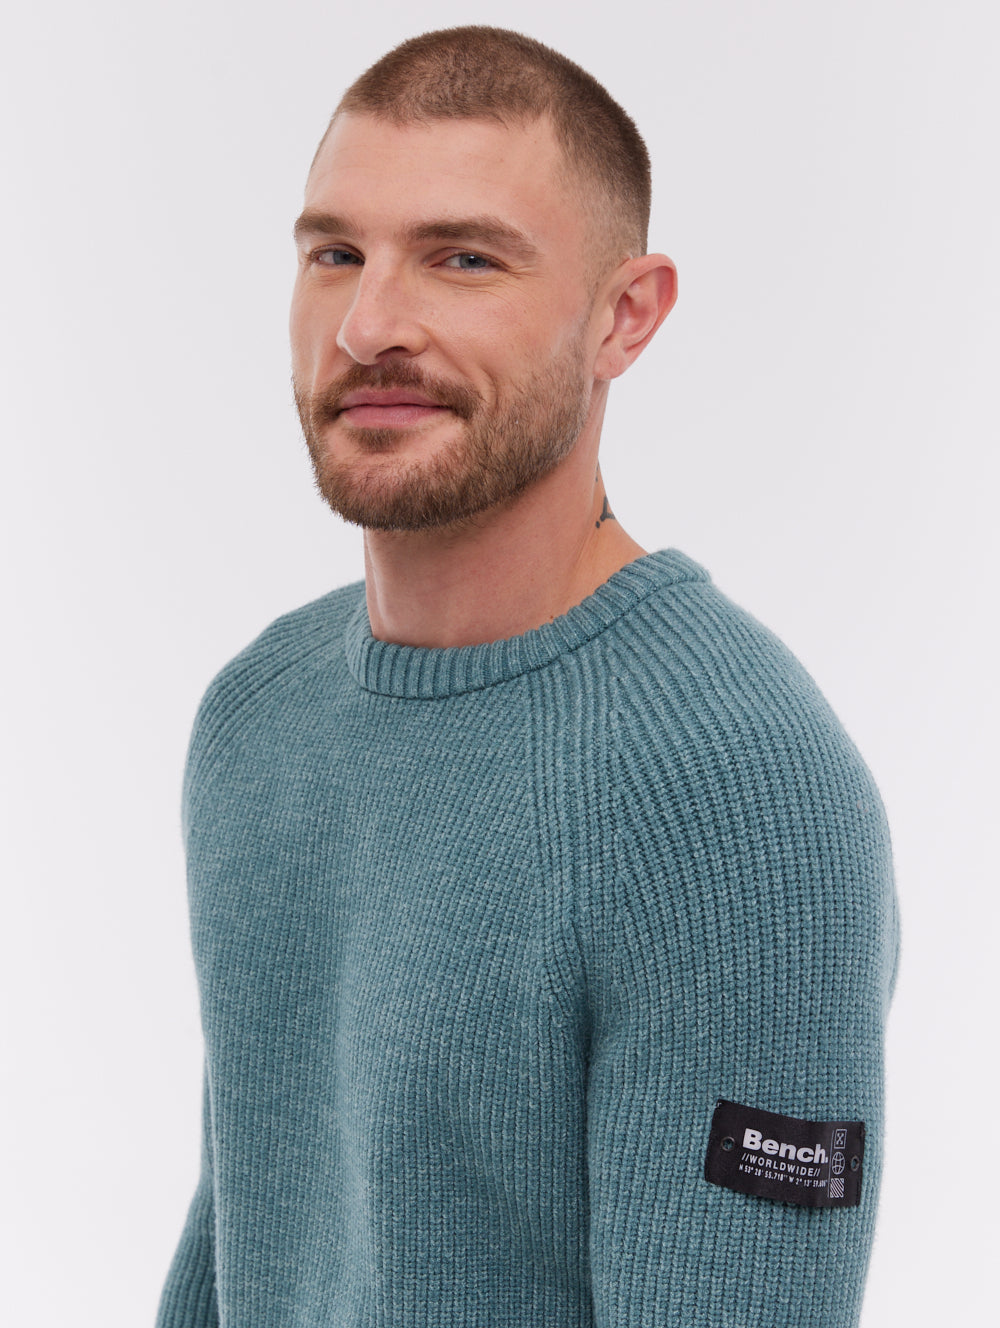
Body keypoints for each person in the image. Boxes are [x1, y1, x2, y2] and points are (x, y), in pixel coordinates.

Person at [156, 26, 898, 1328]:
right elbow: (241, 1245)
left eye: (464, 259)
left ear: (625, 315)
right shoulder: (260, 715)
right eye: (336, 254)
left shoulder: (735, 791)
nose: (370, 326)